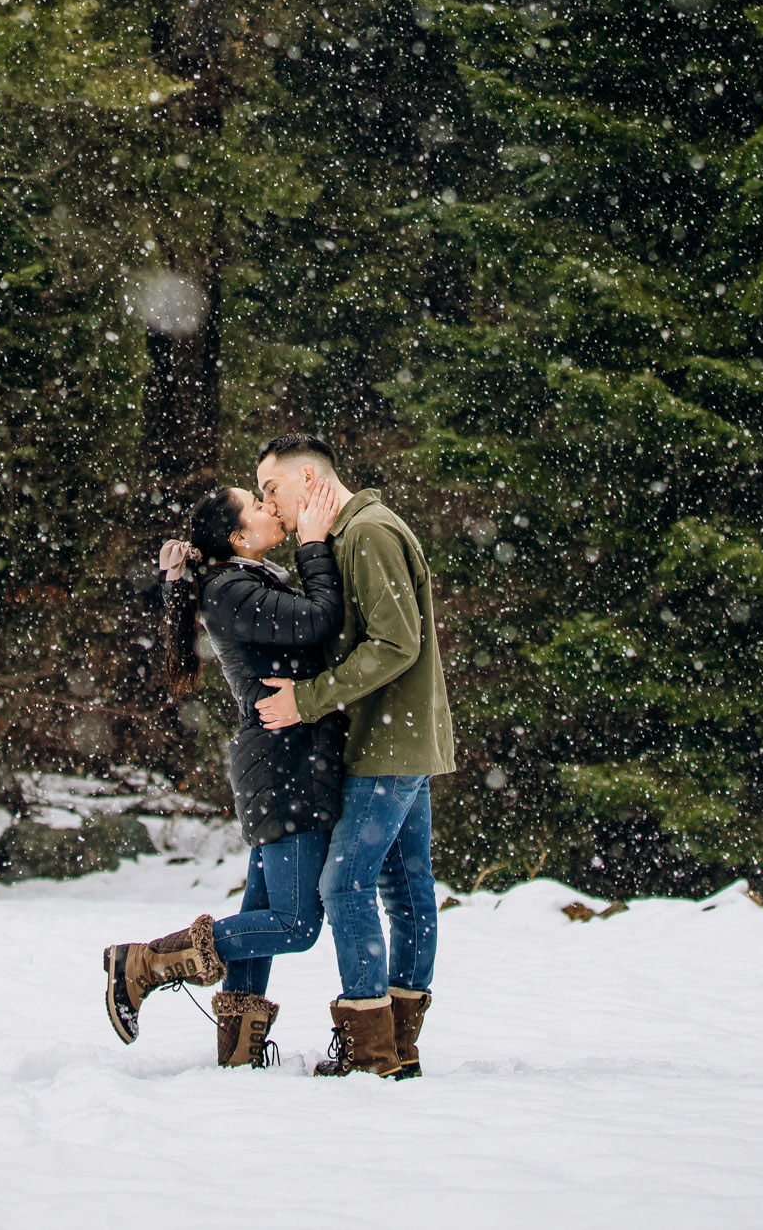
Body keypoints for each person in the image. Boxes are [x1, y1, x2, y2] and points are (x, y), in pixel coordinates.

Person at [102, 477, 344, 1069]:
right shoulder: (232, 588)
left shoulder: (242, 581)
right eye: (258, 506)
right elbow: (318, 619)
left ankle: (238, 1055)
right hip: (284, 765)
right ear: (239, 536)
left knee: (263, 908)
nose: (270, 510)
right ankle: (147, 962)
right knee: (293, 924)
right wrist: (313, 545)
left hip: (288, 761)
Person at [255, 432, 453, 1082]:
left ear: (309, 479)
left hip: (387, 746)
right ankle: (395, 1047)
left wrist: (307, 700)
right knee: (405, 887)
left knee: (346, 884)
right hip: (393, 738)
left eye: (272, 490)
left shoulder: (368, 533)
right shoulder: (351, 535)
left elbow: (395, 644)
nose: (270, 505)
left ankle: (369, 1049)